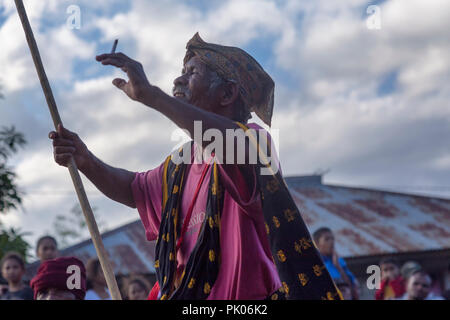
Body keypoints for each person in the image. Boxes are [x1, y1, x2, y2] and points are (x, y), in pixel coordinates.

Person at [49, 33, 341, 300]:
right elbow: (132, 188)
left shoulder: (253, 141)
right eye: (181, 72)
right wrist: (85, 159)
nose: (178, 80)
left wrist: (153, 96)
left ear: (227, 94)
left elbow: (227, 141)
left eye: (192, 74)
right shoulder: (180, 162)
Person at [313, 227, 358, 299]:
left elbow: (352, 288)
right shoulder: (315, 264)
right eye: (327, 239)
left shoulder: (340, 261)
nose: (331, 242)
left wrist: (338, 267)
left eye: (332, 238)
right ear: (316, 244)